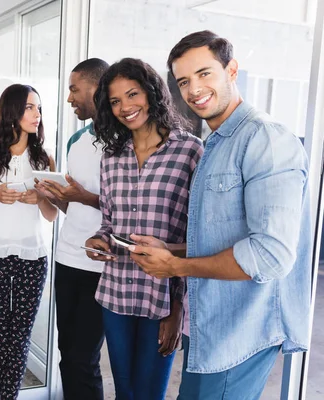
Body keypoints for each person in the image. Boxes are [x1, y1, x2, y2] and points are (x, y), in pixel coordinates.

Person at [128, 30, 312, 400]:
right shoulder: (216, 142)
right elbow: (221, 236)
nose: (194, 89)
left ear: (232, 70)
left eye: (204, 73)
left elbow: (271, 255)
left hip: (239, 333)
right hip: (210, 327)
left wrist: (174, 268)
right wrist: (173, 250)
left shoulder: (265, 139)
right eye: (184, 81)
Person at [84, 58, 203, 400]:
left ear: (151, 94)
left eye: (132, 94)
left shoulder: (189, 151)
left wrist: (176, 309)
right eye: (116, 101)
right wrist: (98, 240)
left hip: (162, 297)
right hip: (115, 292)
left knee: (149, 394)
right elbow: (109, 223)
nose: (125, 107)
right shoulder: (111, 157)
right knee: (124, 392)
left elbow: (194, 235)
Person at [0, 83, 58, 400]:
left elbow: (51, 216)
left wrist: (40, 197)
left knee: (20, 335)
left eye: (39, 108)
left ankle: (9, 397)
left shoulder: (45, 159)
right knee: (1, 333)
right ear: (12, 111)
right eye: (30, 107)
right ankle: (9, 396)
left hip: (33, 257)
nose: (37, 114)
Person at [35, 58, 109, 400]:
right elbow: (72, 207)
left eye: (74, 89)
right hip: (67, 259)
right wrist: (57, 196)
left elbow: (130, 208)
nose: (69, 98)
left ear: (97, 88)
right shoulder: (76, 140)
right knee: (68, 357)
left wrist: (84, 196)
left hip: (102, 265)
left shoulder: (124, 141)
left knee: (84, 359)